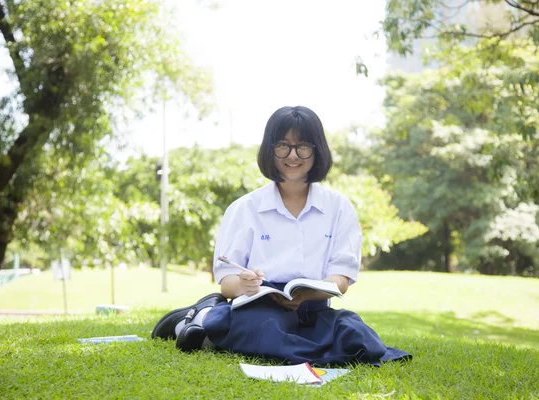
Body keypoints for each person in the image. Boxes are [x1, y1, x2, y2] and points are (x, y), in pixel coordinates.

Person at [152, 106, 411, 366]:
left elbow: (340, 280)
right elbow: (227, 282)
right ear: (270, 150)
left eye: (303, 146)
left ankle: (213, 326)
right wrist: (245, 285)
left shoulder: (339, 207)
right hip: (260, 308)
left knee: (358, 335)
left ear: (317, 150)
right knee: (266, 327)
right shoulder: (245, 208)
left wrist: (306, 296)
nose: (293, 155)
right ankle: (200, 319)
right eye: (283, 146)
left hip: (315, 307)